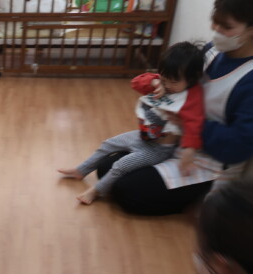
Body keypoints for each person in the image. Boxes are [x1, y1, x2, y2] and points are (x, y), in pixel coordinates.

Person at [99, 0, 253, 216]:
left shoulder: (248, 78)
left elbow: (238, 146)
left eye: (226, 26)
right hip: (172, 140)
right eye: (215, 21)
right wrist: (157, 84)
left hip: (207, 159)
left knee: (128, 192)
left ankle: (200, 196)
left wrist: (189, 122)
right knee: (106, 167)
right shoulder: (211, 51)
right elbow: (174, 80)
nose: (216, 30)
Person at [58, 42, 205, 205]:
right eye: (165, 79)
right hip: (142, 136)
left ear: (192, 78)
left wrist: (189, 151)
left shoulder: (192, 96)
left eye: (174, 82)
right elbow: (136, 82)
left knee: (121, 165)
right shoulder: (162, 83)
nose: (168, 85)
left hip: (159, 150)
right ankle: (81, 170)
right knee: (107, 144)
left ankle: (96, 191)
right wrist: (155, 82)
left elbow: (194, 126)